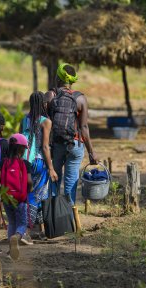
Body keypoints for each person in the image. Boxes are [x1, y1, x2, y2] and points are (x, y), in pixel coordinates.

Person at [44, 63, 98, 205]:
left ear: (58, 78)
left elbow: (43, 123)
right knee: (70, 184)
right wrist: (91, 152)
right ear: (73, 80)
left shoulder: (50, 95)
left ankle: (53, 217)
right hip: (75, 145)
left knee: (54, 180)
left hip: (55, 145)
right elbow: (84, 127)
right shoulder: (80, 99)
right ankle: (68, 220)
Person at [21, 91, 58, 241]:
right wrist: (51, 168)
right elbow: (44, 147)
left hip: (25, 162)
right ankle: (24, 231)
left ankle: (39, 231)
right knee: (35, 197)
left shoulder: (25, 119)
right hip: (39, 162)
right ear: (44, 104)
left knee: (40, 195)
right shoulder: (45, 121)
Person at [0, 133, 33, 260]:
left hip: (6, 197)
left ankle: (10, 251)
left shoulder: (3, 162)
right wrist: (29, 190)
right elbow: (29, 181)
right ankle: (16, 237)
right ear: (21, 150)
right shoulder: (26, 164)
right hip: (20, 198)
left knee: (11, 222)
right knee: (22, 223)